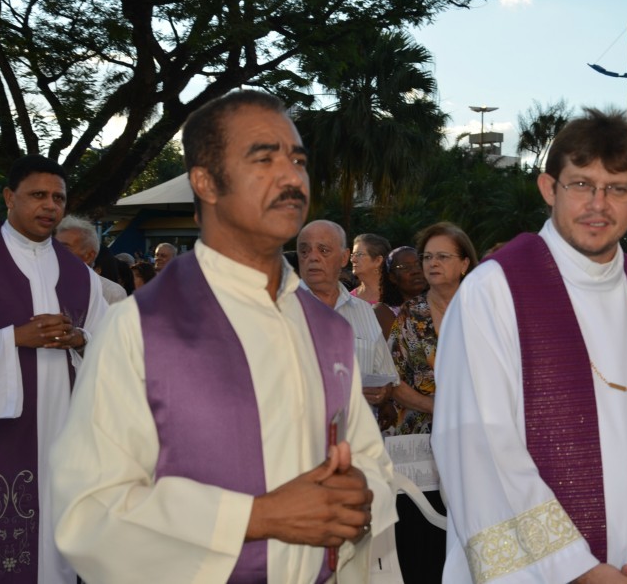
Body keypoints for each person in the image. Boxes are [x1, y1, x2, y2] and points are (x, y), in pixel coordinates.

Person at [50, 90, 394, 582]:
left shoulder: (328, 328)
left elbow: (371, 464)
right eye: (264, 158)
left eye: (298, 159)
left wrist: (359, 491)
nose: (292, 176)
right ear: (206, 182)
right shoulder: (143, 327)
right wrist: (257, 518)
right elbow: (87, 512)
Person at [432, 108, 627, 583]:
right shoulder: (495, 290)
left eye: (617, 188)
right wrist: (575, 568)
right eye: (581, 184)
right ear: (550, 188)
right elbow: (478, 444)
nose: (598, 204)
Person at [0, 155, 108, 583]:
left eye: (58, 198)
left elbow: (113, 346)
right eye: (38, 195)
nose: (49, 205)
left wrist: (81, 340)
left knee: (52, 543)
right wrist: (12, 337)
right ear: (10, 197)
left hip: (60, 438)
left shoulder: (80, 275)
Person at [388, 221, 477, 584]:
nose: (431, 263)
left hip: (476, 441)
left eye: (442, 256)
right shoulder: (411, 315)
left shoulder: (485, 309)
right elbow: (393, 380)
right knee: (422, 538)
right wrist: (442, 410)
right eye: (427, 256)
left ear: (465, 264)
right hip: (420, 441)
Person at [297, 219, 399, 429]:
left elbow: (386, 376)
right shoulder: (280, 309)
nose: (313, 257)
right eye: (304, 251)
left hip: (356, 440)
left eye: (323, 250)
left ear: (344, 258)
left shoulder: (363, 311)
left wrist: (382, 393)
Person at [55, 215, 128, 304]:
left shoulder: (111, 293)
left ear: (89, 256)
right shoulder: (44, 285)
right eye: (54, 246)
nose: (56, 252)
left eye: (64, 248)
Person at [376, 246, 428, 339]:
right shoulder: (383, 312)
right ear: (392, 277)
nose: (415, 271)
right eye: (405, 267)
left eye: (419, 264)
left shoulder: (438, 305)